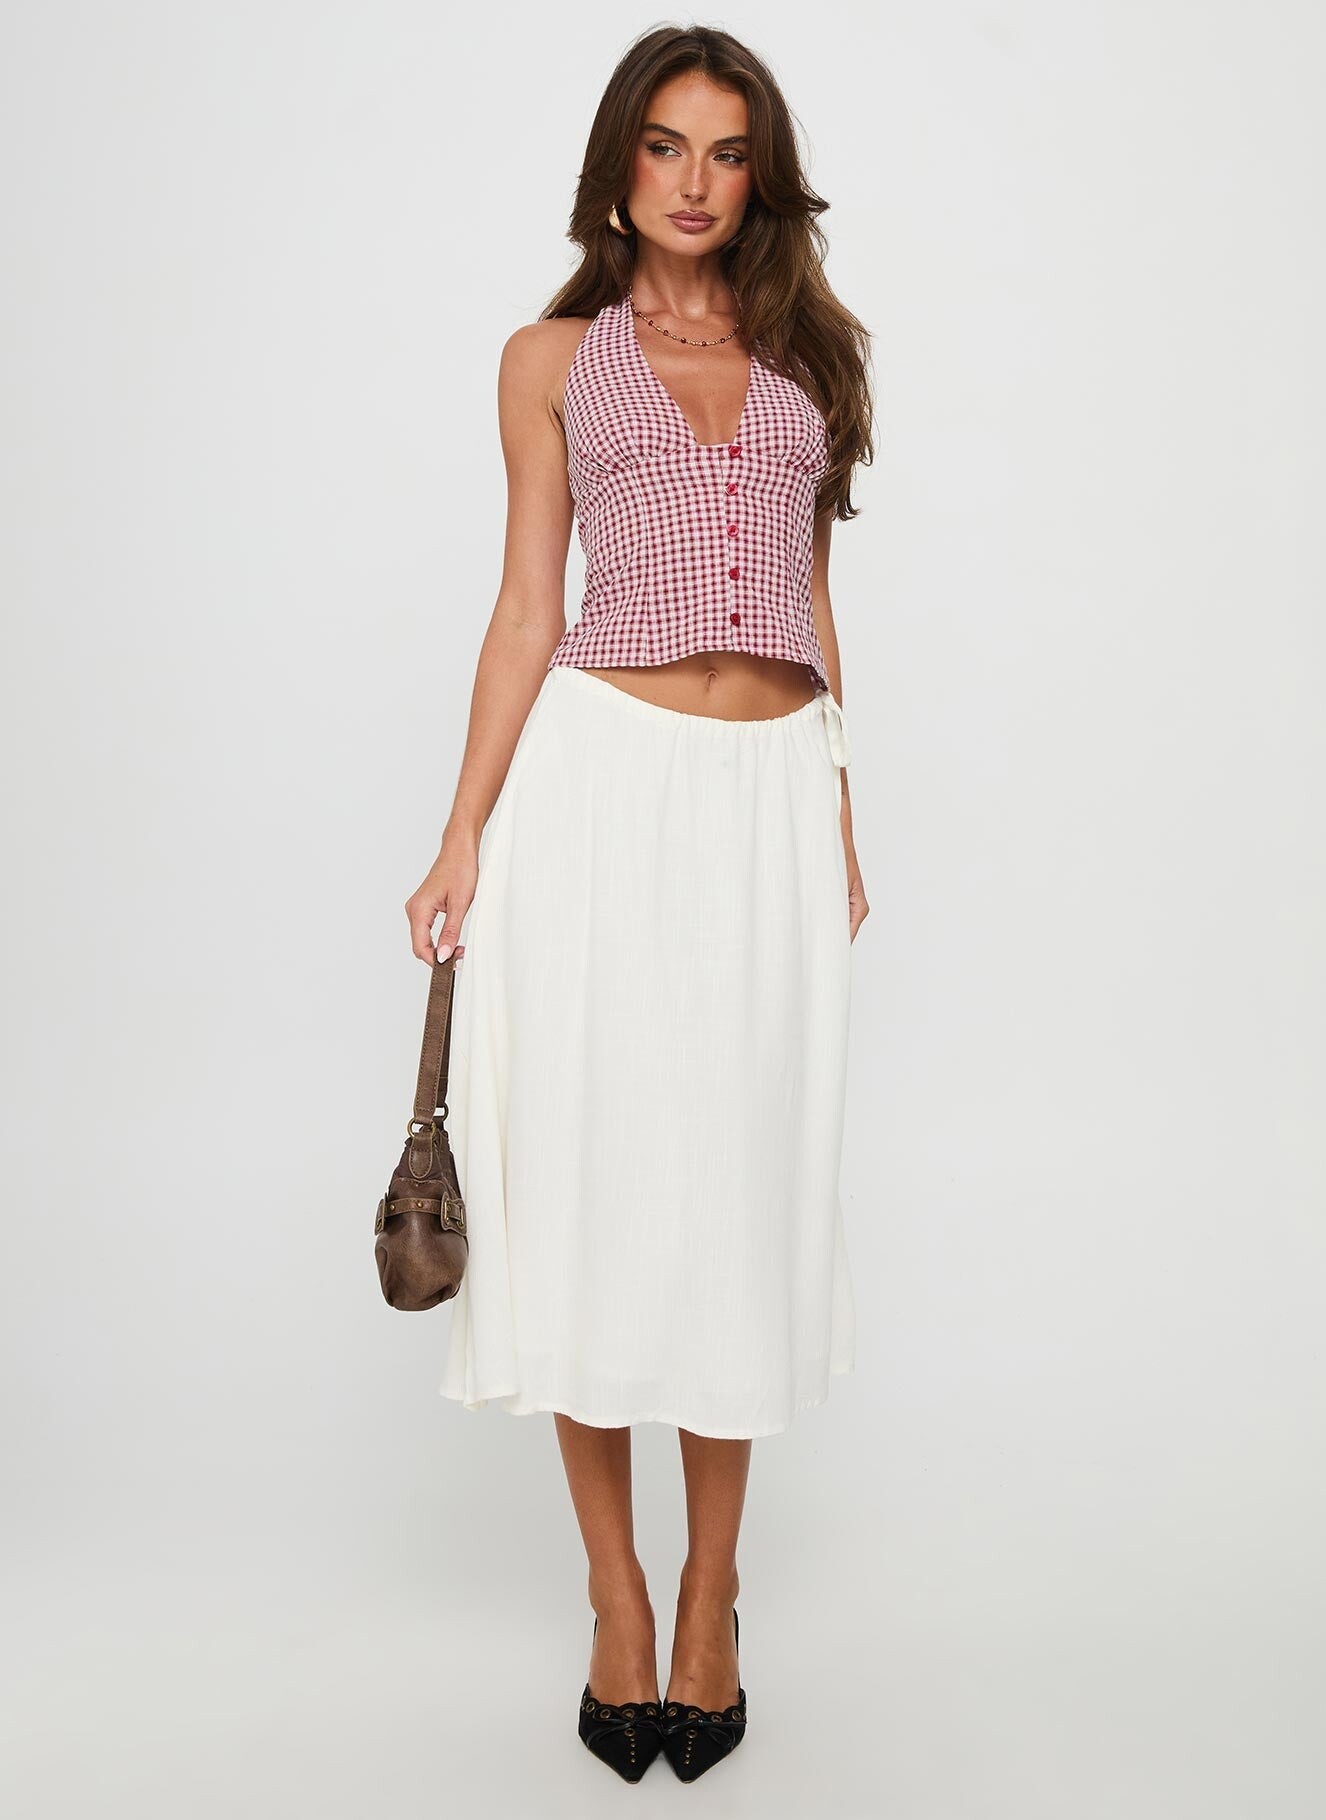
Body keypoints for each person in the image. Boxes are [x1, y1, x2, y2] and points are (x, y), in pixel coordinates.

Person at [404, 24, 874, 1784]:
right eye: (666, 145)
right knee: (593, 1188)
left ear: (761, 178)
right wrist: (462, 832)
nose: (695, 179)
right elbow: (530, 605)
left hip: (767, 797)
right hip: (597, 789)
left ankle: (711, 1595)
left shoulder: (809, 355)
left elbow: (815, 603)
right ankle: (615, 1597)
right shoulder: (550, 359)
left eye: (727, 150)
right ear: (619, 167)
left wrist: (838, 807)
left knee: (734, 1195)